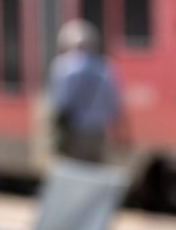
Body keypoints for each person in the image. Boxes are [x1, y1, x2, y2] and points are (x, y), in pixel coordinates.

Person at [47, 18, 126, 163]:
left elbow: (60, 102)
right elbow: (114, 104)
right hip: (98, 131)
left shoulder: (63, 67)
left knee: (74, 171)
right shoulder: (105, 67)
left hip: (75, 131)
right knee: (93, 172)